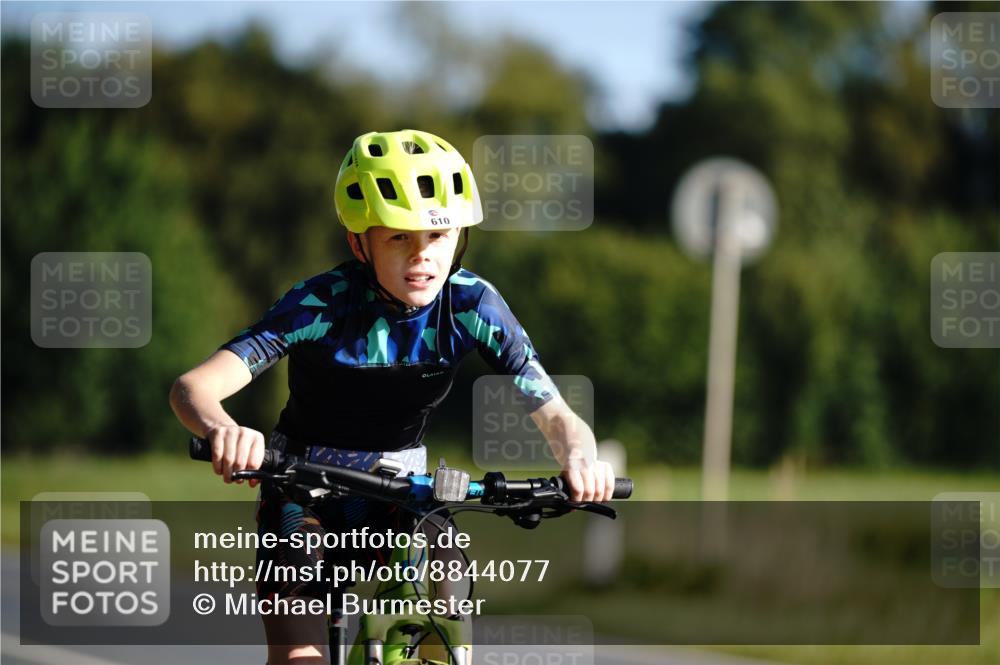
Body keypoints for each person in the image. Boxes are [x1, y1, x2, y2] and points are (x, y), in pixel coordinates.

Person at [169, 129, 615, 664]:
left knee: (448, 619)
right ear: (360, 242)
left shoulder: (472, 304)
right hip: (302, 486)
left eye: (439, 236)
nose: (422, 257)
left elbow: (557, 414)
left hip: (402, 492)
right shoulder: (320, 304)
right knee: (299, 657)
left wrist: (580, 459)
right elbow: (194, 388)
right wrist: (223, 429)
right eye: (399, 238)